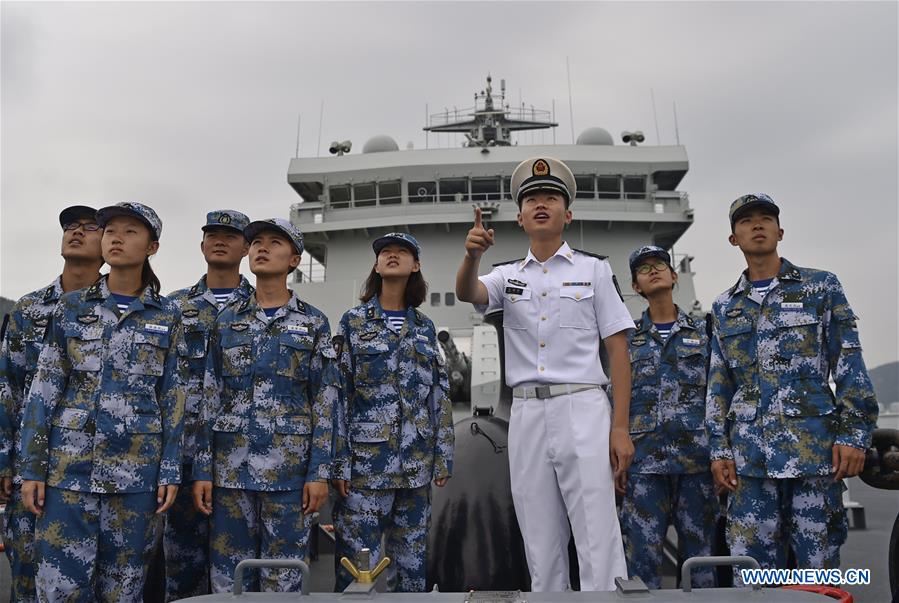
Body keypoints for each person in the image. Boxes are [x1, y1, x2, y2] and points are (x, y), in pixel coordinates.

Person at [455, 157, 634, 591]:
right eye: (531, 199)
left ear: (566, 214)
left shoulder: (594, 270)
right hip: (528, 413)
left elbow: (618, 349)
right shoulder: (505, 276)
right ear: (519, 217)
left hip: (583, 406)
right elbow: (468, 292)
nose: (541, 204)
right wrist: (472, 255)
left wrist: (620, 428)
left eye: (550, 198)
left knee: (596, 532)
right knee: (539, 535)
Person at [18, 202, 186, 602]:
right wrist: (32, 468)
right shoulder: (71, 308)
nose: (116, 238)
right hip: (68, 474)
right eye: (110, 230)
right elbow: (44, 389)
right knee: (61, 589)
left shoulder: (168, 315)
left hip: (137, 479)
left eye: (130, 232)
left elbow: (175, 398)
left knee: (123, 590)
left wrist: (169, 471)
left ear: (152, 247)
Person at [706, 193, 878, 581]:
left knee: (818, 569)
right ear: (734, 238)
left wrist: (854, 434)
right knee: (751, 572)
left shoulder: (821, 288)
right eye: (746, 221)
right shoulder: (724, 307)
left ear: (780, 231)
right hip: (750, 462)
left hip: (813, 455)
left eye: (766, 218)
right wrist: (719, 449)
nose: (757, 225)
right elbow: (719, 384)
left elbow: (848, 361)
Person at [192, 217, 337, 593]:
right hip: (230, 473)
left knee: (284, 577)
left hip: (289, 474)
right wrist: (203, 470)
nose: (262, 247)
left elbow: (325, 401)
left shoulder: (313, 323)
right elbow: (210, 397)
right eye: (256, 242)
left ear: (294, 260)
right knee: (229, 577)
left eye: (275, 242)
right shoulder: (226, 322)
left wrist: (319, 473)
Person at [331, 232, 454, 592]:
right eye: (386, 252)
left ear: (415, 266)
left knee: (412, 567)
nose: (393, 256)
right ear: (376, 265)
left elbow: (439, 395)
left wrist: (443, 456)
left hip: (415, 469)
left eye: (403, 252)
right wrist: (339, 463)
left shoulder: (425, 328)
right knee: (357, 570)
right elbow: (339, 395)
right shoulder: (353, 323)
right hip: (365, 469)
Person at [0, 205, 104, 603]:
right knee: (26, 572)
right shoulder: (29, 309)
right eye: (70, 227)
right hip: (31, 467)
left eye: (88, 227)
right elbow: (7, 387)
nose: (75, 232)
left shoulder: (119, 308)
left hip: (91, 469)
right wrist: (4, 462)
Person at [163, 210, 253, 600]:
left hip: (244, 458)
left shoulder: (264, 306)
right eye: (212, 235)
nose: (220, 241)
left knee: (238, 568)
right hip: (182, 456)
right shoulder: (172, 308)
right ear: (201, 245)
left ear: (246, 248)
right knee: (180, 565)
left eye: (230, 236)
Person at [618, 245, 716, 589]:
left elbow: (717, 396)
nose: (653, 270)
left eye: (660, 265)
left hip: (697, 465)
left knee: (701, 561)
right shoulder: (626, 340)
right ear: (636, 287)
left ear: (674, 276)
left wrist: (721, 455)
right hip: (644, 467)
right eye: (644, 269)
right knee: (642, 564)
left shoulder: (705, 333)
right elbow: (614, 400)